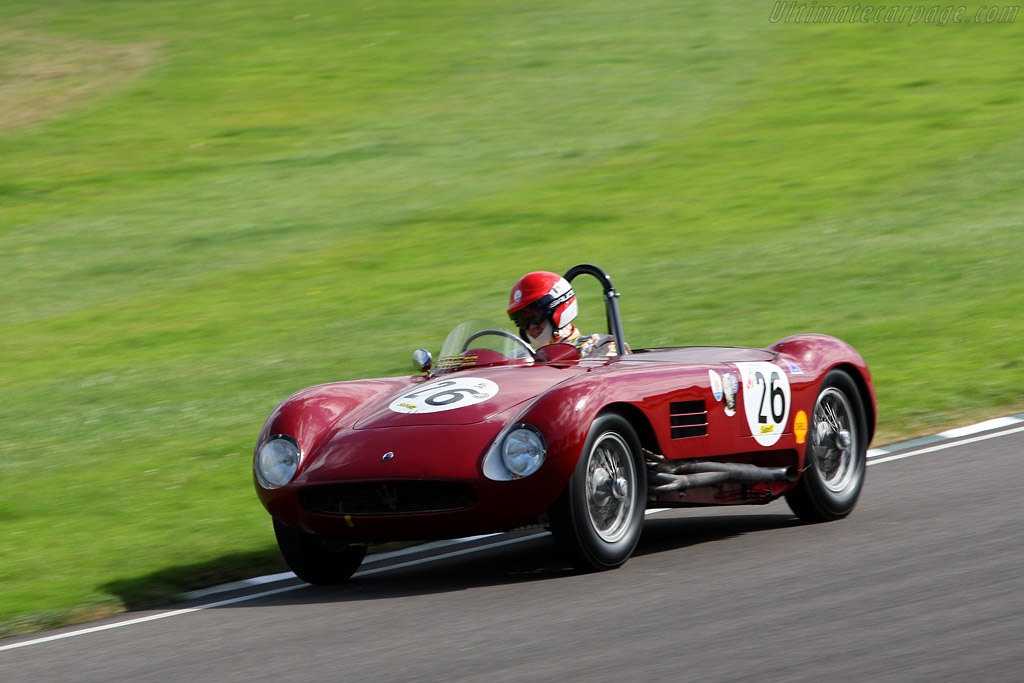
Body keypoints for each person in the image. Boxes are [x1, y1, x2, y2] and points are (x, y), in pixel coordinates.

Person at [507, 271, 618, 358]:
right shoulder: (518, 358)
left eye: (535, 316)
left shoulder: (601, 347)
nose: (531, 326)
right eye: (523, 320)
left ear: (558, 310)